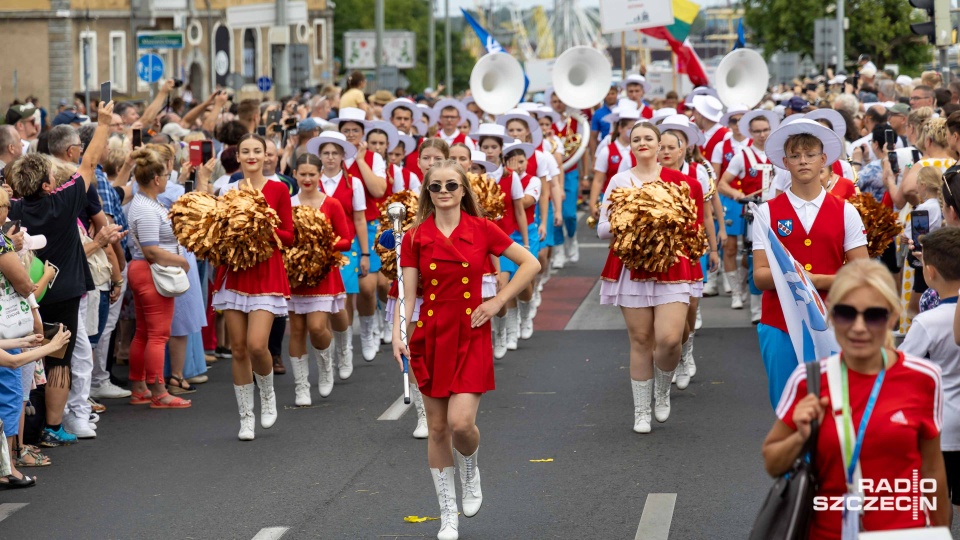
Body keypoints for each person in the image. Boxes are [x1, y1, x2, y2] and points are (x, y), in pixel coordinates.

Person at [392, 160, 540, 540]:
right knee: (438, 429)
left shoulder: (482, 228)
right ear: (427, 192)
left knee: (461, 424)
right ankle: (447, 515)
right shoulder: (413, 237)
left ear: (463, 190)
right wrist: (398, 334)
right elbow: (408, 297)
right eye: (436, 186)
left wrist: (496, 302)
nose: (444, 191)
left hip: (471, 331)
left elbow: (530, 263)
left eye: (451, 185)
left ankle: (470, 466)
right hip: (430, 334)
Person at [763, 259, 950, 537]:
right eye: (846, 313)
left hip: (904, 532)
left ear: (892, 317)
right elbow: (773, 462)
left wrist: (939, 531)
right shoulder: (809, 380)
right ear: (830, 316)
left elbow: (932, 473)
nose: (859, 327)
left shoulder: (924, 377)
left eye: (873, 315)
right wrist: (800, 437)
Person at [6, 100, 119, 447]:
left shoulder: (11, 209)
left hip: (25, 294)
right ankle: (53, 427)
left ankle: (28, 427)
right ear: (44, 185)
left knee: (29, 358)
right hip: (65, 288)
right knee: (59, 359)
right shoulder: (63, 202)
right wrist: (102, 124)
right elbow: (89, 163)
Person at [753, 119, 869, 408]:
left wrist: (813, 281)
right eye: (795, 155)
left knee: (834, 403)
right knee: (786, 404)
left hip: (834, 320)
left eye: (809, 154)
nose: (802, 161)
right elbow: (760, 276)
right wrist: (812, 279)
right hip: (779, 322)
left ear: (823, 160)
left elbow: (861, 273)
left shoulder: (846, 212)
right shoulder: (767, 212)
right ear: (785, 162)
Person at [597, 122, 705, 434]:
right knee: (641, 339)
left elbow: (692, 229)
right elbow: (602, 228)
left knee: (670, 339)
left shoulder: (683, 182)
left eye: (648, 138)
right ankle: (641, 411)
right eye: (636, 139)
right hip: (631, 268)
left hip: (671, 266)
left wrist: (663, 229)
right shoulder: (619, 180)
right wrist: (630, 223)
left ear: (661, 145)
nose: (642, 143)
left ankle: (662, 389)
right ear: (629, 145)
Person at [212, 133, 295, 441]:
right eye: (245, 151)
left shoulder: (278, 189)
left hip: (265, 273)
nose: (251, 156)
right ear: (238, 156)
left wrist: (264, 225)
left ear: (265, 156)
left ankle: (268, 393)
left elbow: (290, 235)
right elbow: (216, 233)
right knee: (238, 349)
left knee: (258, 345)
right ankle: (246, 418)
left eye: (256, 151)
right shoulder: (227, 189)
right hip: (234, 274)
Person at [899, 227, 960, 517]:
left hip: (940, 427)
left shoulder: (928, 322)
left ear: (930, 271)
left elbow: (901, 368)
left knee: (935, 506)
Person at [126, 148, 192, 410]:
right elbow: (152, 250)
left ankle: (140, 387)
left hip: (144, 270)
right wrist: (181, 261)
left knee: (144, 333)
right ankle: (159, 391)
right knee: (157, 335)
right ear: (156, 179)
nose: (167, 178)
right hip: (151, 271)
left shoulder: (146, 203)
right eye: (165, 174)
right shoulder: (146, 207)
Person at [287, 153, 352, 406]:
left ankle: (326, 366)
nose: (307, 178)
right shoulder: (289, 203)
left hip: (323, 274)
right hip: (295, 277)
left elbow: (345, 239)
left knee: (316, 327)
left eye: (312, 174)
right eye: (302, 174)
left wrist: (323, 246)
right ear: (295, 174)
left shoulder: (331, 203)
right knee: (297, 331)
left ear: (319, 175)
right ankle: (301, 387)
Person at [305, 131, 366, 381]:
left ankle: (345, 346)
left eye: (335, 153)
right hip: (314, 253)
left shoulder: (355, 183)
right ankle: (328, 351)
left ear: (343, 156)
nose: (330, 158)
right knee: (320, 304)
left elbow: (360, 219)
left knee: (343, 302)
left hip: (345, 247)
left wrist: (364, 252)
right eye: (326, 153)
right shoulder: (311, 182)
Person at [334, 108, 388, 363]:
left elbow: (378, 190)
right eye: (346, 130)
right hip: (340, 227)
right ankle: (345, 342)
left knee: (369, 287)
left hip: (367, 225)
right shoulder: (333, 156)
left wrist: (362, 159)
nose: (351, 135)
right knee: (345, 290)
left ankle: (367, 329)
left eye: (356, 130)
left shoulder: (373, 158)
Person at [718, 110, 778, 312]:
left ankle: (745, 287)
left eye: (766, 130)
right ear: (751, 133)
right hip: (752, 211)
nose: (763, 135)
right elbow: (722, 184)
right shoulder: (741, 156)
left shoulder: (779, 154)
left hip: (775, 210)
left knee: (763, 255)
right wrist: (737, 193)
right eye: (758, 131)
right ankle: (749, 301)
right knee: (752, 254)